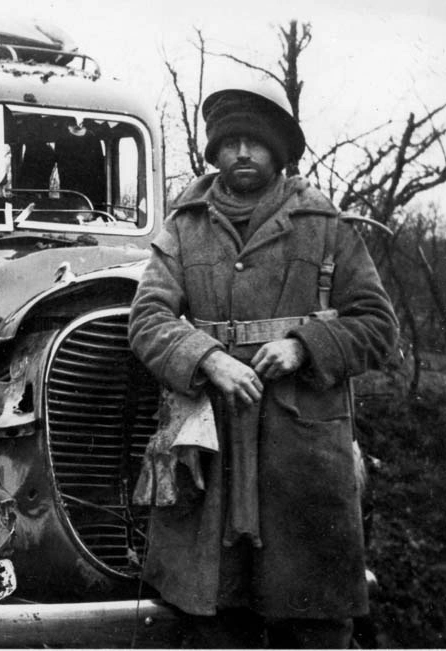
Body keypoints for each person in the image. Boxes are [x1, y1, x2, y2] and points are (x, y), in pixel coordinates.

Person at [128, 85, 398, 648]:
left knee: (314, 618)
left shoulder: (325, 224)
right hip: (211, 442)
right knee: (211, 614)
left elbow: (377, 324)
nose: (243, 153)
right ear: (215, 154)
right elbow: (148, 320)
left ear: (279, 153)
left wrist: (306, 345)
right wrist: (208, 359)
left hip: (302, 452)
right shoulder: (183, 226)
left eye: (256, 143)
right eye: (230, 144)